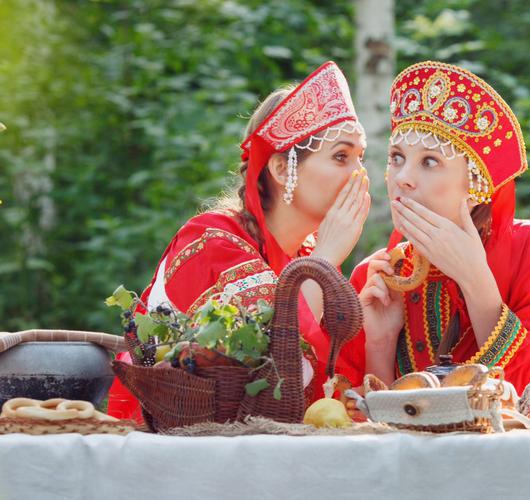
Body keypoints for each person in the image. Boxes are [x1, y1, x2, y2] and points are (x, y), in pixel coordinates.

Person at [107, 61, 371, 421]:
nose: (359, 173)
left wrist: (380, 330)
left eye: (360, 158)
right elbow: (264, 377)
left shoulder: (311, 257)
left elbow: (338, 394)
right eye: (341, 156)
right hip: (173, 442)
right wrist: (323, 261)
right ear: (282, 169)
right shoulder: (212, 240)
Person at [339, 61, 530, 396]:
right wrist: (380, 343)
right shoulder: (375, 278)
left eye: (430, 161)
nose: (402, 178)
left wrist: (476, 282)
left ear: (475, 186)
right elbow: (354, 421)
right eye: (396, 157)